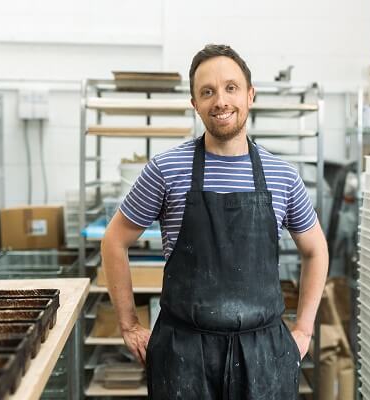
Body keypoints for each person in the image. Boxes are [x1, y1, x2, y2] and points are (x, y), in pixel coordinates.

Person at [101, 43, 329, 400]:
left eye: (231, 88)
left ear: (250, 95)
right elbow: (114, 241)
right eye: (207, 92)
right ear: (195, 104)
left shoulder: (282, 176)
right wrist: (128, 324)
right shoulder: (166, 170)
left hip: (264, 356)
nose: (220, 100)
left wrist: (304, 329)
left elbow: (316, 251)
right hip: (183, 355)